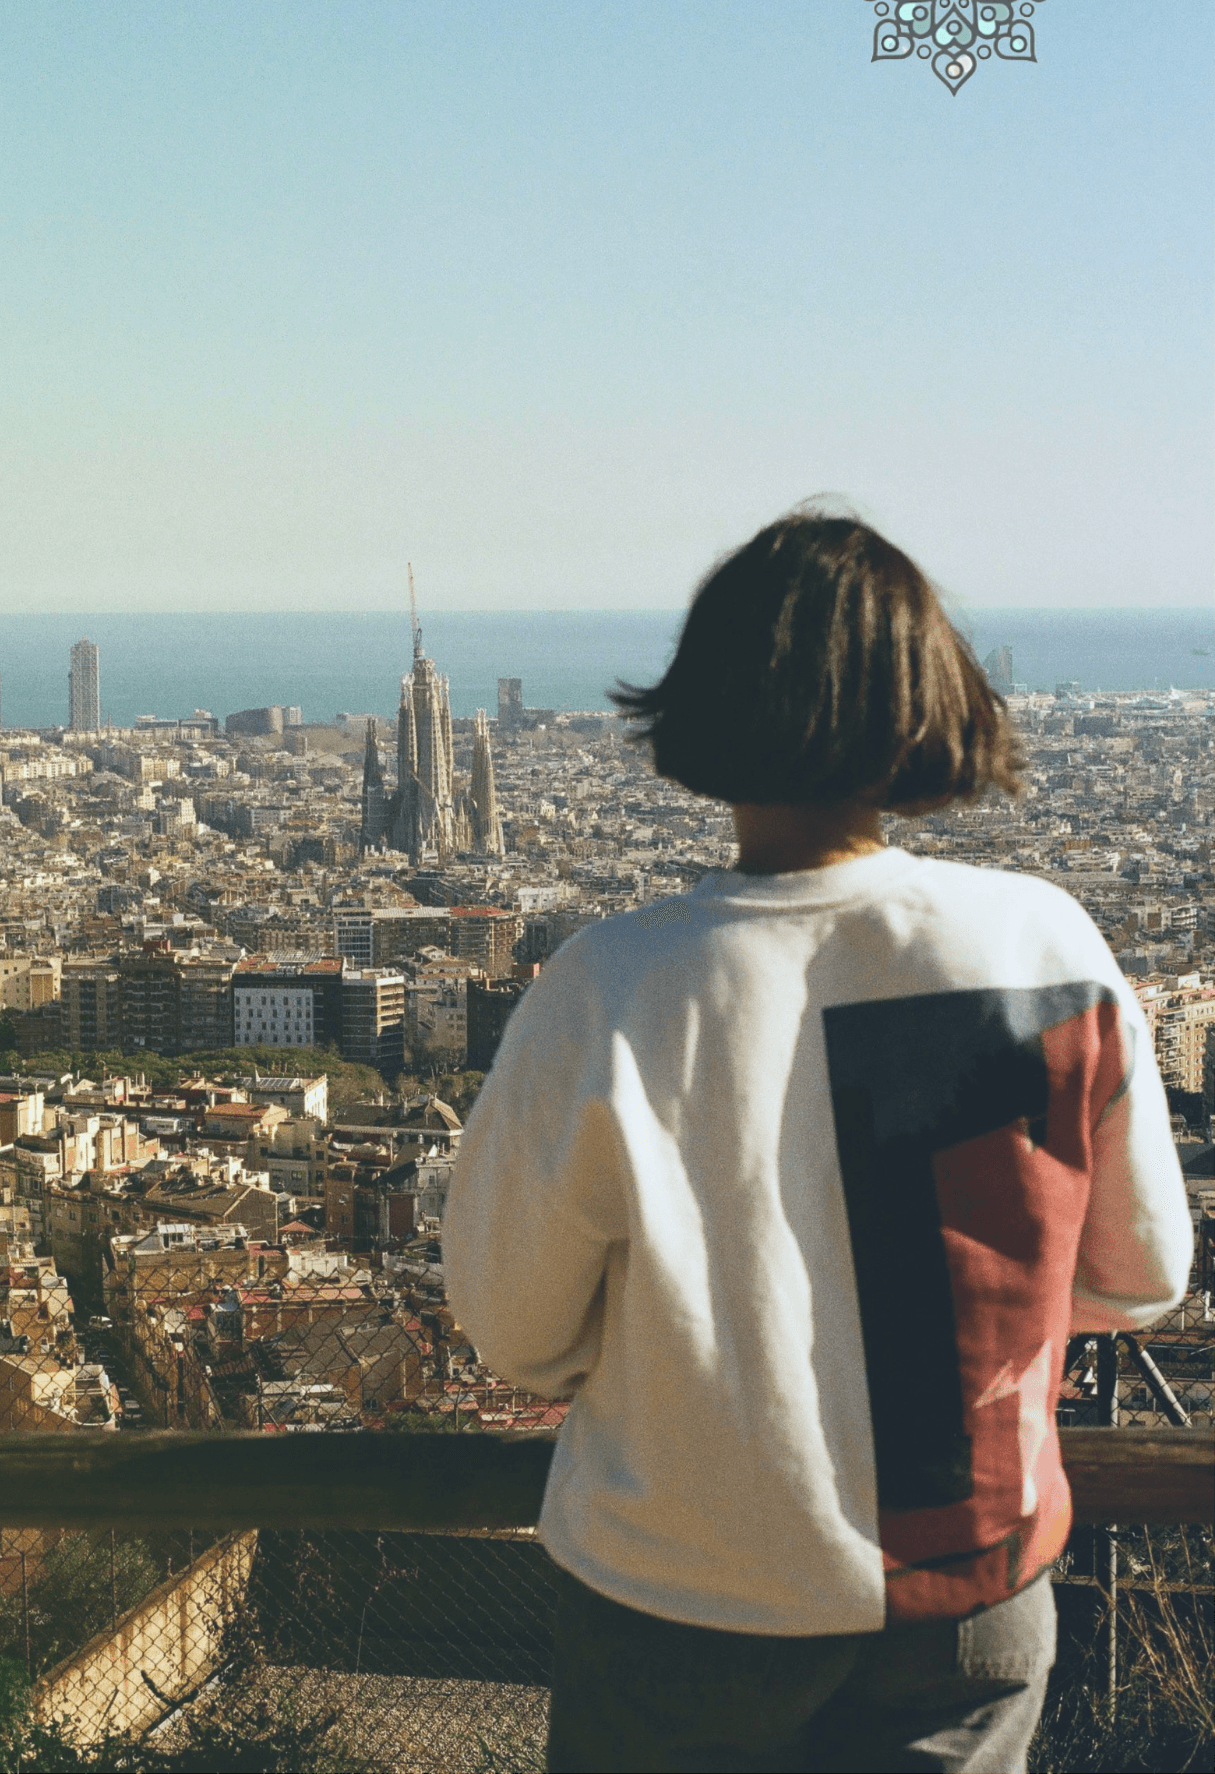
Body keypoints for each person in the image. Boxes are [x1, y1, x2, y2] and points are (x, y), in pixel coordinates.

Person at [442, 512, 1192, 1774]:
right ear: (924, 707)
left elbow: (514, 1327)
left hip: (683, 1589)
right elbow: (1140, 1274)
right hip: (970, 1582)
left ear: (705, 708)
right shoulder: (1039, 944)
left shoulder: (611, 985)